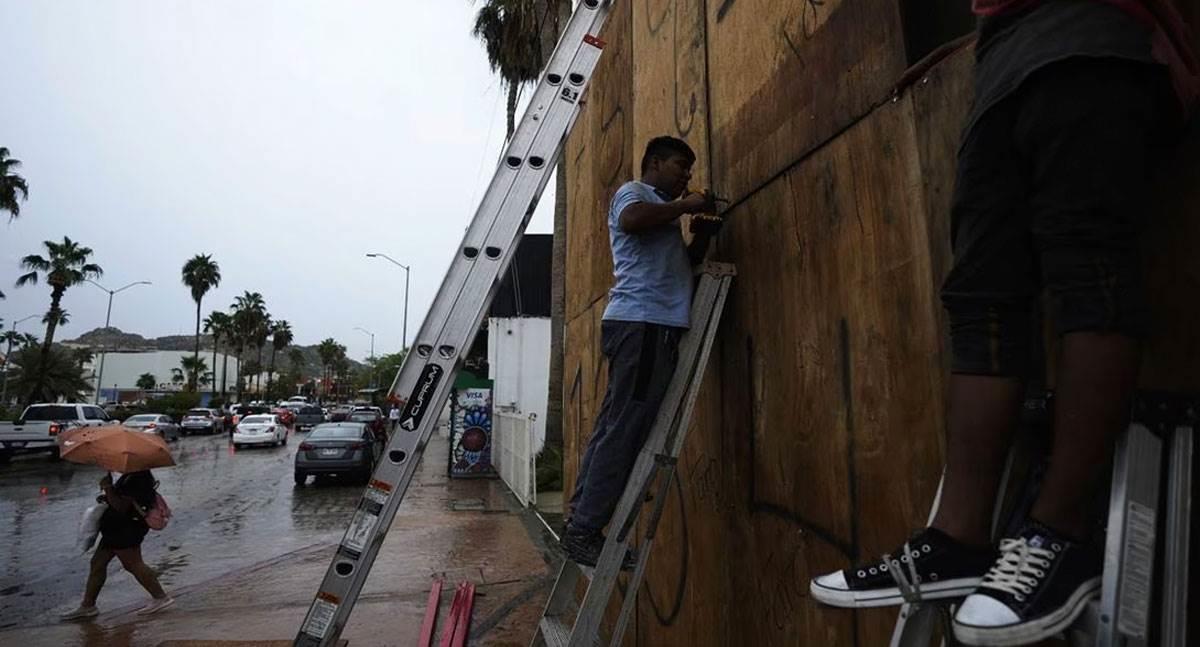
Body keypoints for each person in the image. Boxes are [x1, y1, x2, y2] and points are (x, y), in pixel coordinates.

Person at [809, 1, 1197, 645]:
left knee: (1088, 268)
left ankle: (1058, 533)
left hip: (1094, 35)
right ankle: (957, 540)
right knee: (979, 296)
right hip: (1002, 64)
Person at [561, 136, 724, 567]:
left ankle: (581, 516)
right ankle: (584, 531)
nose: (687, 176)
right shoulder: (634, 194)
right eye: (679, 166)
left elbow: (677, 270)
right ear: (654, 163)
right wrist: (685, 206)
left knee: (613, 426)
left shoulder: (662, 212)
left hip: (646, 324)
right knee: (625, 430)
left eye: (689, 170)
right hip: (644, 324)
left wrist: (702, 236)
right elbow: (632, 220)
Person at [60, 471, 174, 620]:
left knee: (133, 564)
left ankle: (160, 597)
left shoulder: (137, 477)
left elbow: (121, 507)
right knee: (97, 563)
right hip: (114, 529)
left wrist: (107, 487)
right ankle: (88, 606)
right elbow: (121, 501)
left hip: (126, 529)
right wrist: (108, 494)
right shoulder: (131, 475)